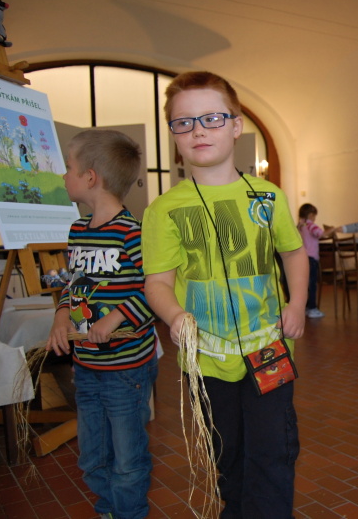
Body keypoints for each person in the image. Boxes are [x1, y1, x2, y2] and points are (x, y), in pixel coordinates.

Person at [142, 71, 308, 518]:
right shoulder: (164, 210)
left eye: (212, 118)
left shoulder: (267, 196)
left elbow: (293, 253)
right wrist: (174, 315)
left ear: (235, 126)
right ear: (174, 134)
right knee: (228, 455)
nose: (198, 130)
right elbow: (157, 283)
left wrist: (296, 303)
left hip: (269, 349)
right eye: (184, 122)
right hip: (207, 360)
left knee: (273, 452)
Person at [46, 129, 158, 519]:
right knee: (92, 454)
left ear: (90, 177)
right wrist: (62, 314)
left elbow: (154, 290)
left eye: (69, 168)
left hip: (125, 370)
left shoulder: (132, 232)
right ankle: (107, 509)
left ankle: (128, 513)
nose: (64, 176)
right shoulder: (78, 231)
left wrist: (116, 317)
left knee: (127, 458)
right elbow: (73, 286)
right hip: (87, 367)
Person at [298, 202, 333, 318]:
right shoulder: (310, 225)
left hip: (302, 259)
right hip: (312, 259)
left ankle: (305, 307)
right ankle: (312, 308)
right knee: (312, 284)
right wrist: (332, 229)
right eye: (314, 216)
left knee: (304, 285)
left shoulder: (300, 226)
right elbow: (321, 234)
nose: (315, 218)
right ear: (311, 215)